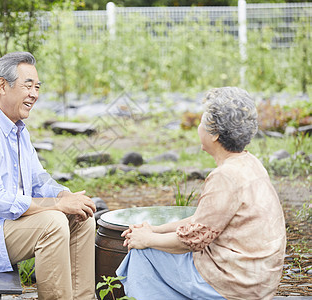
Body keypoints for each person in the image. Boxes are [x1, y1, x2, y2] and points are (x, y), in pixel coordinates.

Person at [0, 52, 97, 300]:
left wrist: (65, 196)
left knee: (82, 217)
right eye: (28, 85)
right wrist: (58, 205)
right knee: (53, 223)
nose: (34, 94)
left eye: (37, 87)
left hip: (9, 228)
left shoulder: (18, 130)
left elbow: (39, 179)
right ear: (3, 85)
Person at [116, 87, 286, 300]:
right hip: (258, 280)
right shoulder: (250, 163)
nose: (199, 126)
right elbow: (201, 222)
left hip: (234, 283)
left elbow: (193, 240)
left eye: (202, 121)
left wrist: (147, 239)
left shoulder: (225, 176)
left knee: (142, 252)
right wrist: (155, 230)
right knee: (148, 244)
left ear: (214, 134)